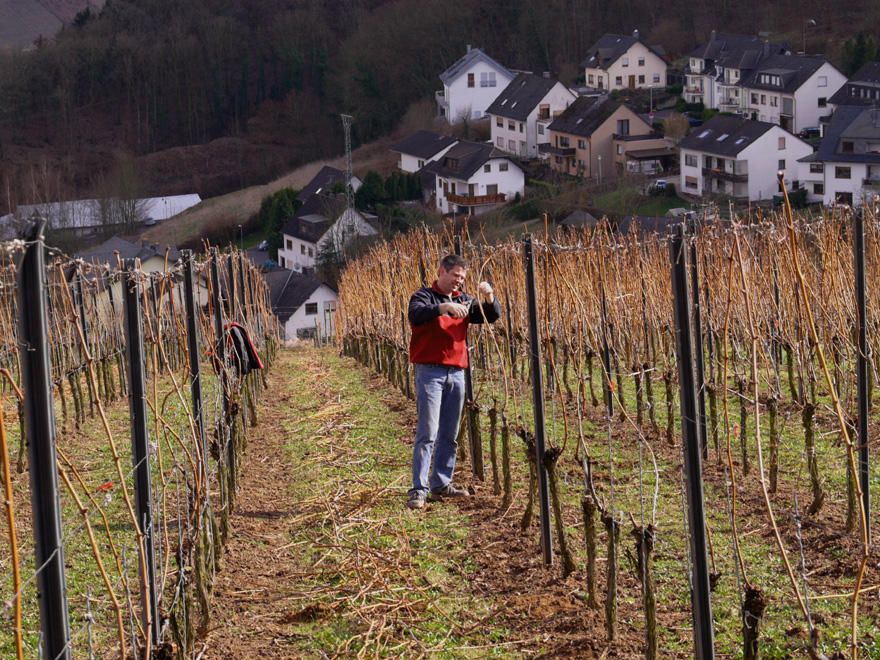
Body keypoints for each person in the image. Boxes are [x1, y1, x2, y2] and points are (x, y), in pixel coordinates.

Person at [406, 254, 501, 510]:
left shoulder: (465, 300)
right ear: (442, 272)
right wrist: (444, 308)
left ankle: (441, 484)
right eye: (455, 276)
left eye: (462, 278)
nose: (458, 281)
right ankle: (418, 490)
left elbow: (490, 316)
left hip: (457, 374)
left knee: (450, 433)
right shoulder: (424, 296)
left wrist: (489, 297)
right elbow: (415, 315)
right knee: (427, 432)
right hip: (430, 372)